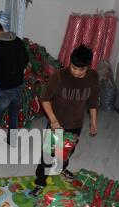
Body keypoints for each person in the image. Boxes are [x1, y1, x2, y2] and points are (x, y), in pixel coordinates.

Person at [29, 45, 99, 197]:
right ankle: (40, 182)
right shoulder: (59, 76)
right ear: (70, 62)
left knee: (66, 152)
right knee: (48, 155)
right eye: (74, 68)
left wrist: (93, 120)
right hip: (57, 124)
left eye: (82, 69)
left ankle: (62, 168)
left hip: (76, 124)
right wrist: (53, 120)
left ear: (88, 66)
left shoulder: (93, 77)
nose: (77, 72)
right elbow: (45, 99)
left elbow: (93, 101)